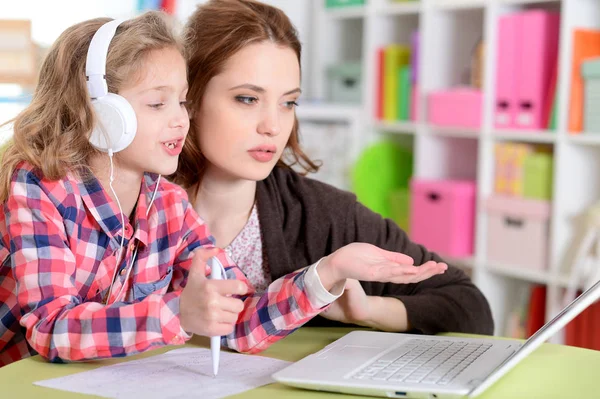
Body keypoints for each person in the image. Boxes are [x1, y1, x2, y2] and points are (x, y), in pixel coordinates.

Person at [0, 11, 442, 368]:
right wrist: (177, 313)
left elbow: (241, 321)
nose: (179, 120)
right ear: (101, 112)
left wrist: (328, 272)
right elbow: (50, 328)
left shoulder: (167, 206)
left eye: (183, 101)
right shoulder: (41, 186)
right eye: (157, 103)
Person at [173, 0, 494, 336]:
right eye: (248, 99)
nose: (273, 126)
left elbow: (468, 305)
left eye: (288, 103)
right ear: (190, 99)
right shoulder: (135, 206)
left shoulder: (322, 215)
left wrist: (368, 310)